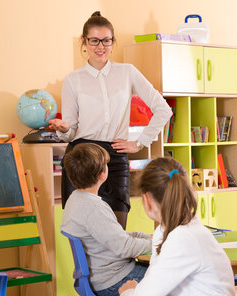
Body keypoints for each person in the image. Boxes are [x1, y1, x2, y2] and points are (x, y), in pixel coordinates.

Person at [49, 11, 172, 229]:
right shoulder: (73, 80)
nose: (100, 46)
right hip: (81, 157)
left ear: (113, 42)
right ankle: (83, 265)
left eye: (106, 40)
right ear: (84, 41)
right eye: (94, 40)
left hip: (114, 157)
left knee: (117, 231)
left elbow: (163, 109)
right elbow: (70, 132)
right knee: (80, 231)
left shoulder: (128, 73)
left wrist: (139, 143)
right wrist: (64, 128)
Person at [117, 157, 235, 296]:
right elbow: (152, 287)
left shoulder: (182, 237)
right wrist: (138, 291)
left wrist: (128, 292)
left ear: (146, 200)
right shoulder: (174, 231)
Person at [61, 143, 151, 296]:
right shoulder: (94, 208)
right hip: (112, 281)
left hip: (98, 278)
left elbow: (114, 234)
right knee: (168, 276)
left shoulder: (75, 199)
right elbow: (124, 247)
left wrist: (146, 237)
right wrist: (159, 244)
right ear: (102, 174)